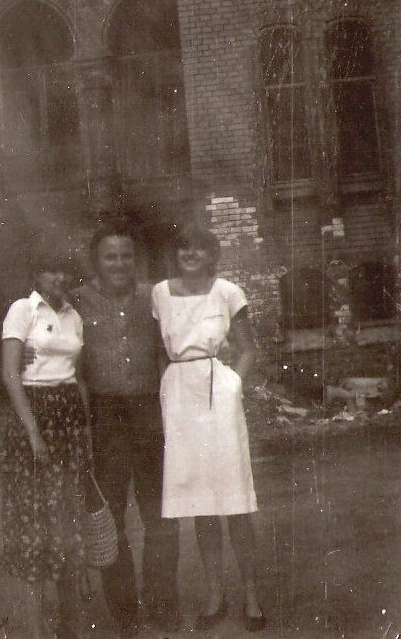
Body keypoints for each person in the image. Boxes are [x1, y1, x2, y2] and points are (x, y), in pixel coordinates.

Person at [151, 222, 266, 632]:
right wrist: (168, 391)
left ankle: (250, 595)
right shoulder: (160, 293)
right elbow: (159, 351)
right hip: (180, 398)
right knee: (201, 505)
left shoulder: (228, 292)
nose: (190, 254)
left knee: (235, 502)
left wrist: (233, 385)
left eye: (199, 248)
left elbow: (248, 348)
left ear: (212, 255)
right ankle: (215, 595)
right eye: (183, 247)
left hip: (220, 396)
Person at [71, 221, 180, 638]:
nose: (119, 264)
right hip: (105, 416)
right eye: (110, 257)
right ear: (96, 261)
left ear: (135, 259)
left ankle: (162, 605)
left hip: (150, 411)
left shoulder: (154, 297)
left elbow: (174, 344)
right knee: (111, 516)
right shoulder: (77, 301)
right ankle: (125, 615)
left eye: (126, 256)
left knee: (160, 513)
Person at [1, 251, 88, 639]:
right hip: (33, 414)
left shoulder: (73, 316)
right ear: (36, 273)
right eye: (49, 269)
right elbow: (9, 374)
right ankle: (37, 629)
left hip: (69, 414)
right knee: (34, 522)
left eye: (63, 270)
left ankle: (70, 625)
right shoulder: (23, 310)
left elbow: (77, 377)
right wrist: (34, 433)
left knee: (68, 517)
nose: (58, 276)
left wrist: (85, 429)